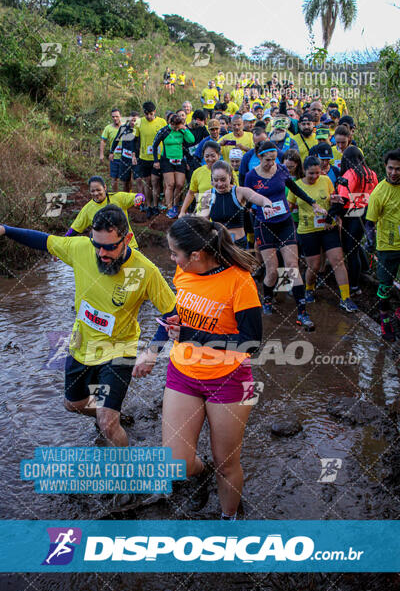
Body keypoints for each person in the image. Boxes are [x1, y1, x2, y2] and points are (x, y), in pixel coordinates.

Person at [0, 205, 176, 446]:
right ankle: (111, 411)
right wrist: (5, 229)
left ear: (127, 238)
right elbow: (44, 241)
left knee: (106, 423)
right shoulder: (81, 248)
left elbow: (172, 312)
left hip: (119, 349)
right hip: (82, 344)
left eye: (110, 247)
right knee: (72, 404)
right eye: (97, 244)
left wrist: (152, 352)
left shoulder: (145, 271)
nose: (101, 253)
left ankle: (127, 472)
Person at [161, 216, 263, 519]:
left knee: (226, 462)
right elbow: (176, 313)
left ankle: (229, 519)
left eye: (174, 253)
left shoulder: (239, 281)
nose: (171, 259)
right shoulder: (184, 271)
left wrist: (194, 336)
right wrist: (158, 343)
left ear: (196, 255)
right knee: (174, 463)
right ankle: (201, 473)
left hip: (229, 380)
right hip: (183, 373)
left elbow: (251, 343)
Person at [245, 142, 323, 327]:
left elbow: (294, 188)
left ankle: (302, 312)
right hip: (264, 225)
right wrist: (249, 226)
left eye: (273, 159)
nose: (271, 163)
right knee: (272, 270)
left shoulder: (280, 170)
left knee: (291, 266)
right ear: (259, 156)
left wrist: (312, 202)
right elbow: (247, 201)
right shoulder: (251, 176)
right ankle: (267, 298)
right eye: (267, 159)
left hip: (285, 223)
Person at [287, 156, 358, 312]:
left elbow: (333, 199)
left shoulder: (326, 181)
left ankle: (346, 298)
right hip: (308, 230)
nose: (315, 176)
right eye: (311, 173)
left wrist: (335, 201)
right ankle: (309, 288)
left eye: (318, 173)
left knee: (338, 260)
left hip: (328, 227)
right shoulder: (296, 186)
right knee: (314, 265)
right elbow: (289, 207)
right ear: (304, 171)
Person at [366, 149, 400, 340]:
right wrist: (370, 242)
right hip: (387, 247)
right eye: (390, 168)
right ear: (385, 168)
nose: (394, 173)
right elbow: (370, 223)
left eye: (398, 169)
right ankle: (384, 321)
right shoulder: (379, 192)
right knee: (385, 287)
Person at [335, 146, 378, 295]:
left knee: (351, 249)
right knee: (356, 244)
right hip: (365, 210)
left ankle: (354, 285)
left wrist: (335, 213)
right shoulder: (370, 173)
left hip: (351, 211)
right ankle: (365, 269)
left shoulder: (350, 174)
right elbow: (375, 194)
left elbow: (343, 198)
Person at [203, 160, 273, 249]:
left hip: (239, 245)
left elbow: (264, 200)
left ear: (230, 176)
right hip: (218, 244)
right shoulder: (207, 195)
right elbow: (203, 223)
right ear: (211, 179)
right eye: (216, 180)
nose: (220, 184)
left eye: (223, 179)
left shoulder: (240, 192)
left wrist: (267, 207)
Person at [64, 175, 141, 250]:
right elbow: (73, 230)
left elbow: (138, 195)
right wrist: (61, 244)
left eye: (98, 190)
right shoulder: (87, 209)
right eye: (92, 191)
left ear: (104, 187)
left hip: (129, 246)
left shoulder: (118, 198)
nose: (96, 193)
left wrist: (139, 198)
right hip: (107, 252)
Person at [152, 114, 195, 219]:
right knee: (170, 184)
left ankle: (176, 205)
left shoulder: (181, 130)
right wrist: (156, 161)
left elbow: (191, 140)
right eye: (175, 126)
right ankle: (170, 207)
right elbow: (154, 145)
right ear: (170, 123)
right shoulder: (164, 131)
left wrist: (184, 129)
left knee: (180, 184)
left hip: (180, 160)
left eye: (178, 126)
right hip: (167, 160)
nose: (176, 128)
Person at [133, 101, 166, 218]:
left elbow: (166, 139)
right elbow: (135, 140)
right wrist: (134, 155)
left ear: (155, 112)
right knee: (147, 182)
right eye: (147, 114)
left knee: (155, 181)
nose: (149, 116)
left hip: (157, 158)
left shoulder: (162, 122)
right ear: (144, 113)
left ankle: (155, 205)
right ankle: (148, 206)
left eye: (151, 114)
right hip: (144, 157)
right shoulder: (139, 122)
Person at [179, 141, 222, 217]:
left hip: (221, 213)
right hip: (203, 214)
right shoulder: (197, 172)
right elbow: (191, 193)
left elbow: (234, 191)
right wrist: (182, 211)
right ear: (203, 156)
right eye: (207, 156)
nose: (210, 159)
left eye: (213, 155)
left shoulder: (227, 170)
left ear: (219, 155)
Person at [110, 111, 140, 193]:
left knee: (138, 181)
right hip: (125, 158)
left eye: (135, 120)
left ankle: (140, 200)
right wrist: (111, 152)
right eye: (132, 120)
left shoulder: (140, 129)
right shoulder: (123, 128)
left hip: (136, 159)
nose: (133, 122)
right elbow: (117, 139)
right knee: (125, 181)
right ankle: (126, 197)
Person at [99, 108, 122, 192]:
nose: (115, 118)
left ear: (120, 116)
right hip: (114, 157)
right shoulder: (108, 128)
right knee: (114, 179)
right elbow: (103, 141)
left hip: (125, 157)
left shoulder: (125, 127)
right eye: (113, 117)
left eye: (117, 116)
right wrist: (101, 155)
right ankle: (115, 196)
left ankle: (126, 197)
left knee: (127, 180)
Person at [282, 150, 304, 229]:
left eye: (291, 167)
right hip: (286, 218)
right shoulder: (279, 178)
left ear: (297, 165)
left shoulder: (303, 178)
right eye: (285, 166)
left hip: (302, 218)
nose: (287, 170)